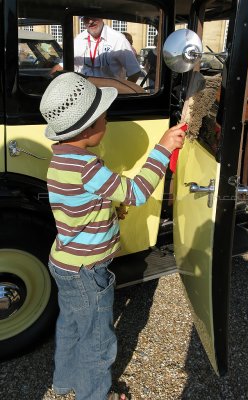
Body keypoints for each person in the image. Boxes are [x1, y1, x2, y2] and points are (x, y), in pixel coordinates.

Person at [39, 72, 186, 400]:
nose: (108, 120)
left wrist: (105, 208)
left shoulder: (61, 158)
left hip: (63, 262)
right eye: (105, 116)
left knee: (71, 326)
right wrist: (162, 148)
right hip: (87, 272)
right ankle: (93, 393)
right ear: (90, 129)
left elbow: (76, 204)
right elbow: (134, 192)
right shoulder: (87, 167)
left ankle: (65, 382)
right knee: (98, 342)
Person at [74, 17, 141, 82]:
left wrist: (124, 91)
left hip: (112, 92)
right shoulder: (78, 40)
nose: (90, 21)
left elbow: (135, 72)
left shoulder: (118, 39)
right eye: (86, 18)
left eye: (93, 16)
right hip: (85, 92)